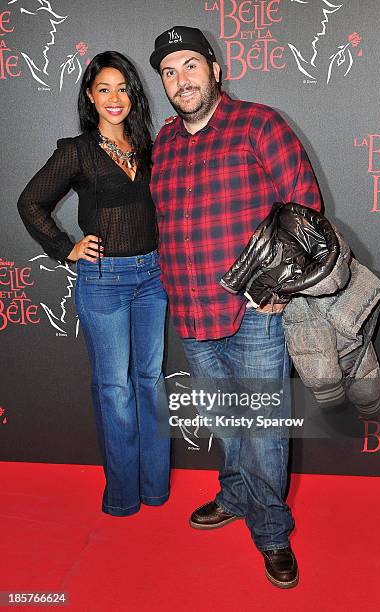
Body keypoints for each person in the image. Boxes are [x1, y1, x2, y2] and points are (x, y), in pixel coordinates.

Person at [149, 26, 321, 587]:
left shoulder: (259, 123)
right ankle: (236, 494)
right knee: (225, 420)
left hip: (253, 312)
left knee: (265, 427)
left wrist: (279, 287)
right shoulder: (166, 141)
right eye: (169, 72)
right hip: (193, 310)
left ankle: (272, 529)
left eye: (190, 66)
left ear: (215, 70)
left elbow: (304, 207)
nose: (181, 80)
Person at [18, 51, 170, 517]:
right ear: (90, 95)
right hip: (103, 281)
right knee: (115, 389)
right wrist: (67, 247)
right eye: (104, 89)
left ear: (134, 94)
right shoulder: (77, 151)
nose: (114, 98)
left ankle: (156, 488)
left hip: (152, 277)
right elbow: (31, 202)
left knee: (149, 381)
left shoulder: (150, 147)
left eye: (122, 88)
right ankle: (123, 496)